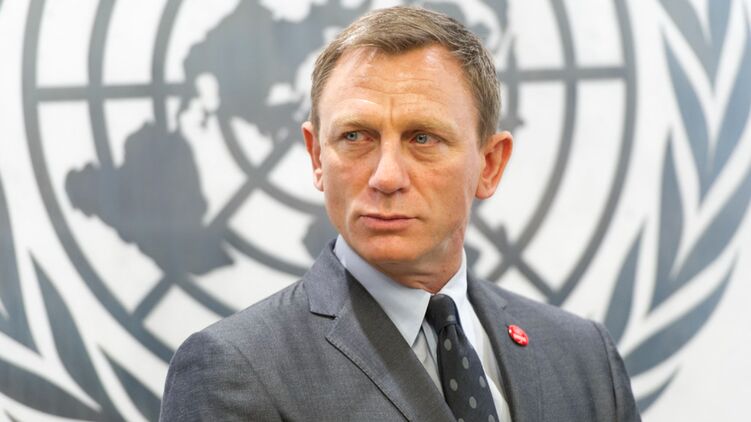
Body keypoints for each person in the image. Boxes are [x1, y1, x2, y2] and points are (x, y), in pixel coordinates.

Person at [160, 6, 640, 422]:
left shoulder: (585, 358)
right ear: (316, 157)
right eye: (355, 137)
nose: (386, 176)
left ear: (490, 165)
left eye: (423, 138)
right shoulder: (234, 369)